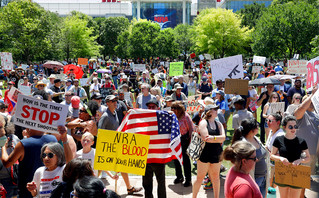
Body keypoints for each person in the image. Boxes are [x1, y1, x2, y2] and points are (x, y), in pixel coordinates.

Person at [98, 95, 142, 195]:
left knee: (122, 165)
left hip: (116, 145)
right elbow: (100, 132)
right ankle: (90, 188)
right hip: (107, 147)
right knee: (99, 168)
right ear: (107, 103)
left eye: (116, 100)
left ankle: (129, 188)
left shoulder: (115, 113)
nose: (115, 102)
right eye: (112, 101)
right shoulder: (105, 116)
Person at [1, 127, 59, 198]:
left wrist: (3, 147)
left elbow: (7, 163)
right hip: (49, 187)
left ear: (28, 128)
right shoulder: (53, 139)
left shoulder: (23, 144)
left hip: (28, 190)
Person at [270, 115, 310, 198]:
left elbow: (308, 158)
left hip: (297, 171)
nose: (293, 129)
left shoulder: (301, 141)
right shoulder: (278, 139)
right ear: (284, 127)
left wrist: (300, 160)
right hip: (283, 171)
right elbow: (271, 155)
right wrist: (281, 158)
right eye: (290, 127)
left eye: (295, 126)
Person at [192, 104, 225, 198]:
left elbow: (224, 138)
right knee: (199, 178)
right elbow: (206, 138)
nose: (217, 111)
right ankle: (194, 196)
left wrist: (213, 137)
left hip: (216, 153)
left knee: (216, 178)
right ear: (209, 112)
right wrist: (217, 139)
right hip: (204, 154)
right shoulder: (203, 123)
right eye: (215, 109)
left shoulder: (218, 123)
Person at [231, 118, 268, 197]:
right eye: (257, 127)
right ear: (252, 130)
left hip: (263, 177)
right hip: (253, 179)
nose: (258, 128)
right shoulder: (244, 144)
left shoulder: (256, 139)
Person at [143, 98, 167, 198]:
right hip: (145, 157)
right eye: (149, 107)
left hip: (158, 157)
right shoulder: (142, 119)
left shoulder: (163, 119)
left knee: (161, 183)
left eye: (153, 107)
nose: (151, 108)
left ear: (158, 107)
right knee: (146, 183)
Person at [171, 101, 194, 187]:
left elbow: (191, 129)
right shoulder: (172, 116)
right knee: (176, 159)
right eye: (172, 108)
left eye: (174, 108)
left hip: (184, 139)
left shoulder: (186, 116)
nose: (172, 110)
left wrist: (190, 141)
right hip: (175, 139)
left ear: (179, 109)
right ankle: (179, 177)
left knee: (185, 160)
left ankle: (188, 179)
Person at [265, 113, 285, 188]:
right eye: (267, 120)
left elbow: (283, 154)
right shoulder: (271, 132)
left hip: (276, 166)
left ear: (278, 122)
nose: (267, 122)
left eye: (270, 121)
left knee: (272, 187)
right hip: (269, 163)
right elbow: (267, 146)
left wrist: (271, 154)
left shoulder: (280, 135)